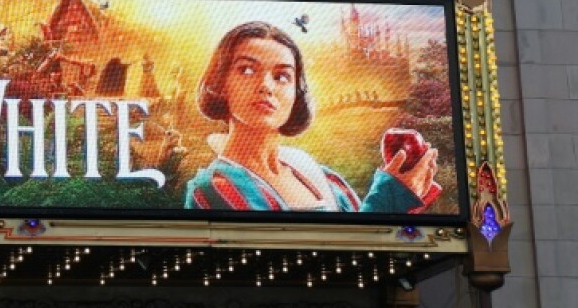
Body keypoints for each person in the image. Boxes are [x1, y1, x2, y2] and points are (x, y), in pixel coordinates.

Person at [183, 21, 439, 212]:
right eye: (247, 70)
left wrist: (406, 192)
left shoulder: (323, 177)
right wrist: (389, 197)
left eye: (282, 76)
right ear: (221, 84)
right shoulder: (213, 189)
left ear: (297, 93)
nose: (266, 87)